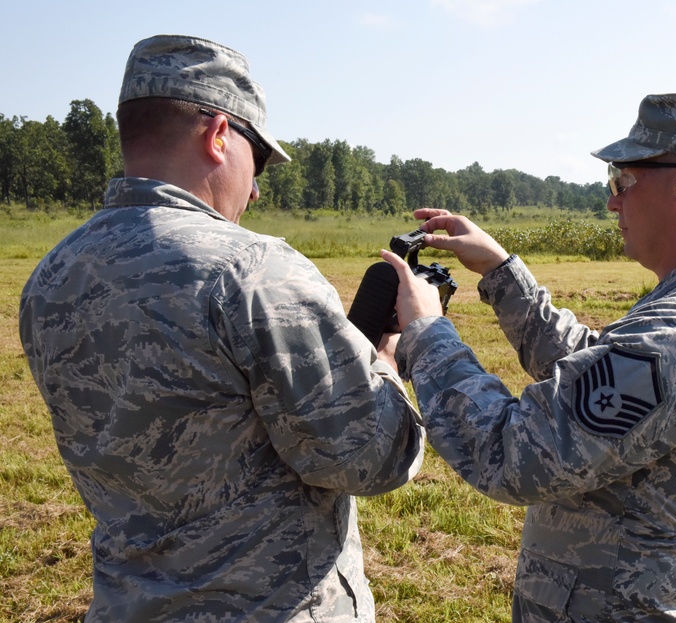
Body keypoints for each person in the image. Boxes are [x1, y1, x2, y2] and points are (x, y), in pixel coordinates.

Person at [19, 35, 423, 622]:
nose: (256, 189)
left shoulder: (50, 274)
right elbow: (369, 458)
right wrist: (387, 357)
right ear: (217, 136)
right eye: (256, 162)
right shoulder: (252, 270)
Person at [383, 94, 676, 622]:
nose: (613, 202)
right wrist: (501, 272)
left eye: (623, 181)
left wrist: (427, 333)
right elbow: (591, 369)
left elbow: (514, 452)